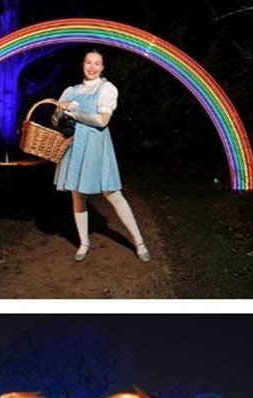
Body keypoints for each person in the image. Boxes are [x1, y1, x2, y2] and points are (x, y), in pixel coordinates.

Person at [52, 49, 151, 263]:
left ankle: (139, 241)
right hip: (73, 146)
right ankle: (83, 243)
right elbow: (55, 120)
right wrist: (60, 111)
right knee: (77, 195)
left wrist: (74, 113)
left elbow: (102, 120)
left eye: (97, 63)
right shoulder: (70, 90)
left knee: (112, 192)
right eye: (88, 62)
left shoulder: (106, 88)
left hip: (95, 146)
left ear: (103, 67)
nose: (92, 66)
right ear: (82, 64)